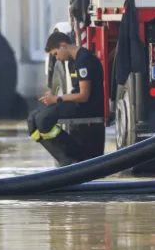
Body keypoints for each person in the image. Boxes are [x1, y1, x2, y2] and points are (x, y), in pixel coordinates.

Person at [27, 31, 104, 165]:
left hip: (88, 106)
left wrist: (57, 99)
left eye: (56, 54)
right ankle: (63, 157)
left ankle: (73, 157)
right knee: (33, 120)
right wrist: (53, 100)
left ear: (63, 45)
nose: (57, 58)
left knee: (44, 120)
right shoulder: (72, 62)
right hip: (77, 103)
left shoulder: (84, 60)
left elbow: (84, 96)